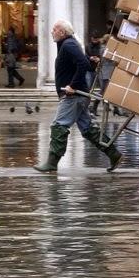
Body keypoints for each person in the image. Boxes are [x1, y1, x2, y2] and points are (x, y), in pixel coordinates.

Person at [34, 20, 122, 173]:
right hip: (78, 95)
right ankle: (114, 154)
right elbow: (85, 64)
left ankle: (51, 163)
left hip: (74, 95)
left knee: (59, 125)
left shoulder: (69, 44)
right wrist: (91, 61)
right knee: (87, 128)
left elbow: (82, 64)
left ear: (62, 32)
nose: (52, 32)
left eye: (54, 29)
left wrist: (72, 86)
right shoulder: (68, 45)